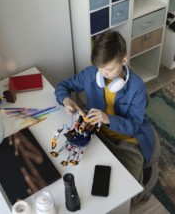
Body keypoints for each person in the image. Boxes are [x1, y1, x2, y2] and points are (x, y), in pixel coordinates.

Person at [54, 30, 154, 203]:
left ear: (124, 60)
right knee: (86, 176)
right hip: (100, 133)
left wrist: (107, 119)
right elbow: (63, 85)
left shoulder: (137, 88)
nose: (103, 73)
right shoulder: (91, 74)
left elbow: (134, 126)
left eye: (109, 69)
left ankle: (142, 189)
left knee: (127, 195)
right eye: (100, 68)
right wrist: (66, 99)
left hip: (128, 140)